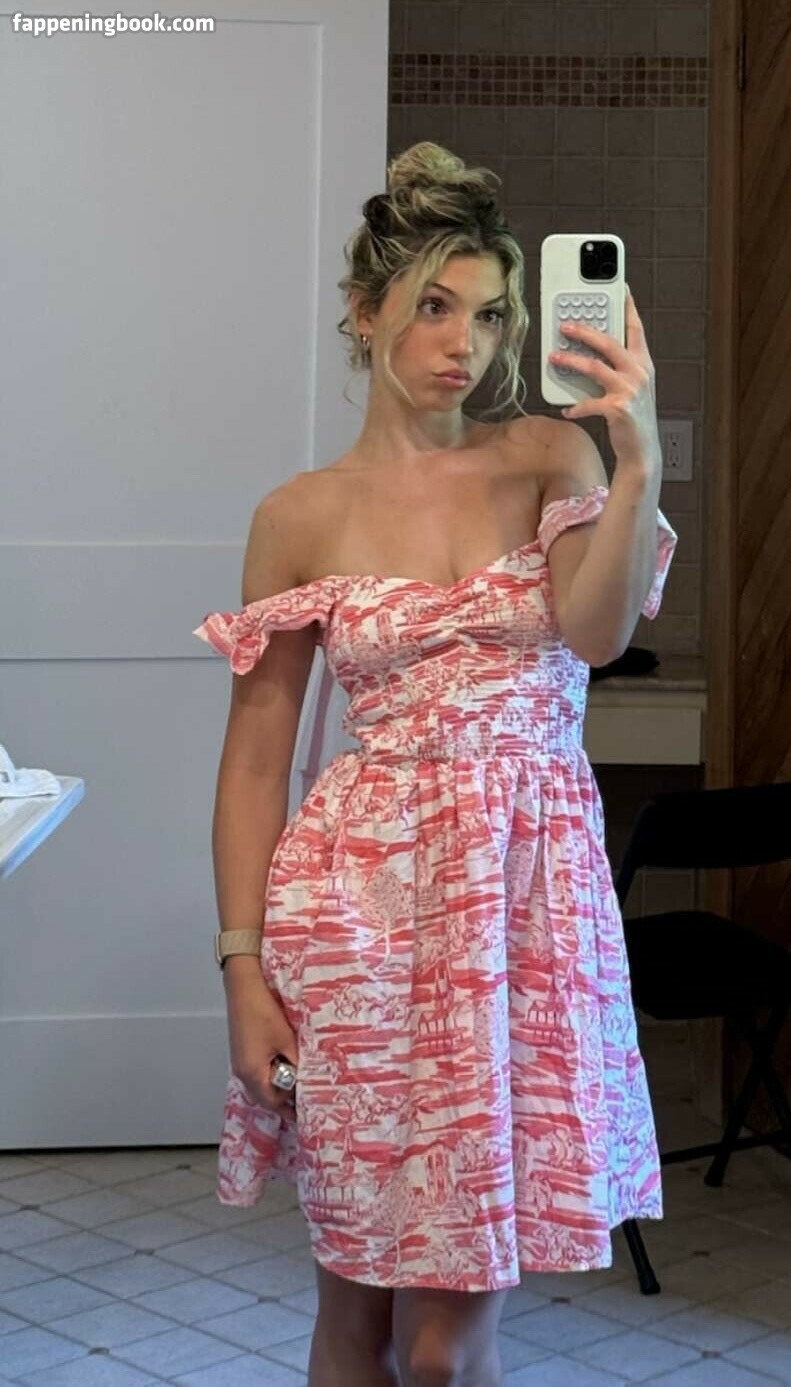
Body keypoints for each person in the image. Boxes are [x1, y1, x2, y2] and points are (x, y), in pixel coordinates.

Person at [193, 142, 677, 1386]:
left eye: (492, 312)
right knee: (355, 1316)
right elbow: (255, 767)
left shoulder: (550, 458)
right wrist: (244, 971)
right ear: (367, 314)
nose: (468, 342)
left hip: (525, 920)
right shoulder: (299, 515)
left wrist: (638, 461)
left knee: (446, 1352)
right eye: (435, 308)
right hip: (354, 921)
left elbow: (596, 634)